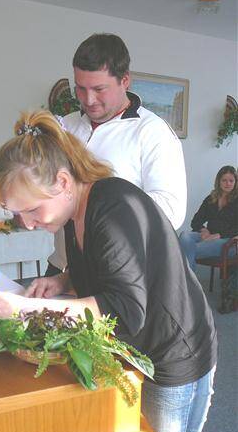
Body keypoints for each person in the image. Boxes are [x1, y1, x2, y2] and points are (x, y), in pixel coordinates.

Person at [0, 110, 217, 432]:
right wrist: (63, 280)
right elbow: (108, 270)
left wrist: (28, 308)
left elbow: (124, 310)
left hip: (175, 352)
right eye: (18, 215)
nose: (27, 223)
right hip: (139, 349)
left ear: (63, 181)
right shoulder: (72, 211)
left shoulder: (113, 208)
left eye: (31, 210)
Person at [47, 32, 187, 274]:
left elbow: (171, 211)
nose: (89, 99)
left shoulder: (153, 132)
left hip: (118, 272)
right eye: (80, 88)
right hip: (62, 266)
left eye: (99, 89)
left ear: (125, 80)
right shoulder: (65, 126)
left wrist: (95, 202)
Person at [179, 165, 238, 313]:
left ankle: (186, 288)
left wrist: (218, 235)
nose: (228, 183)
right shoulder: (211, 199)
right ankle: (190, 286)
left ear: (235, 182)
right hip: (208, 236)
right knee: (185, 236)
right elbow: (196, 221)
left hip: (229, 243)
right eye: (224, 180)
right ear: (219, 181)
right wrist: (203, 230)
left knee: (188, 250)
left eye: (231, 180)